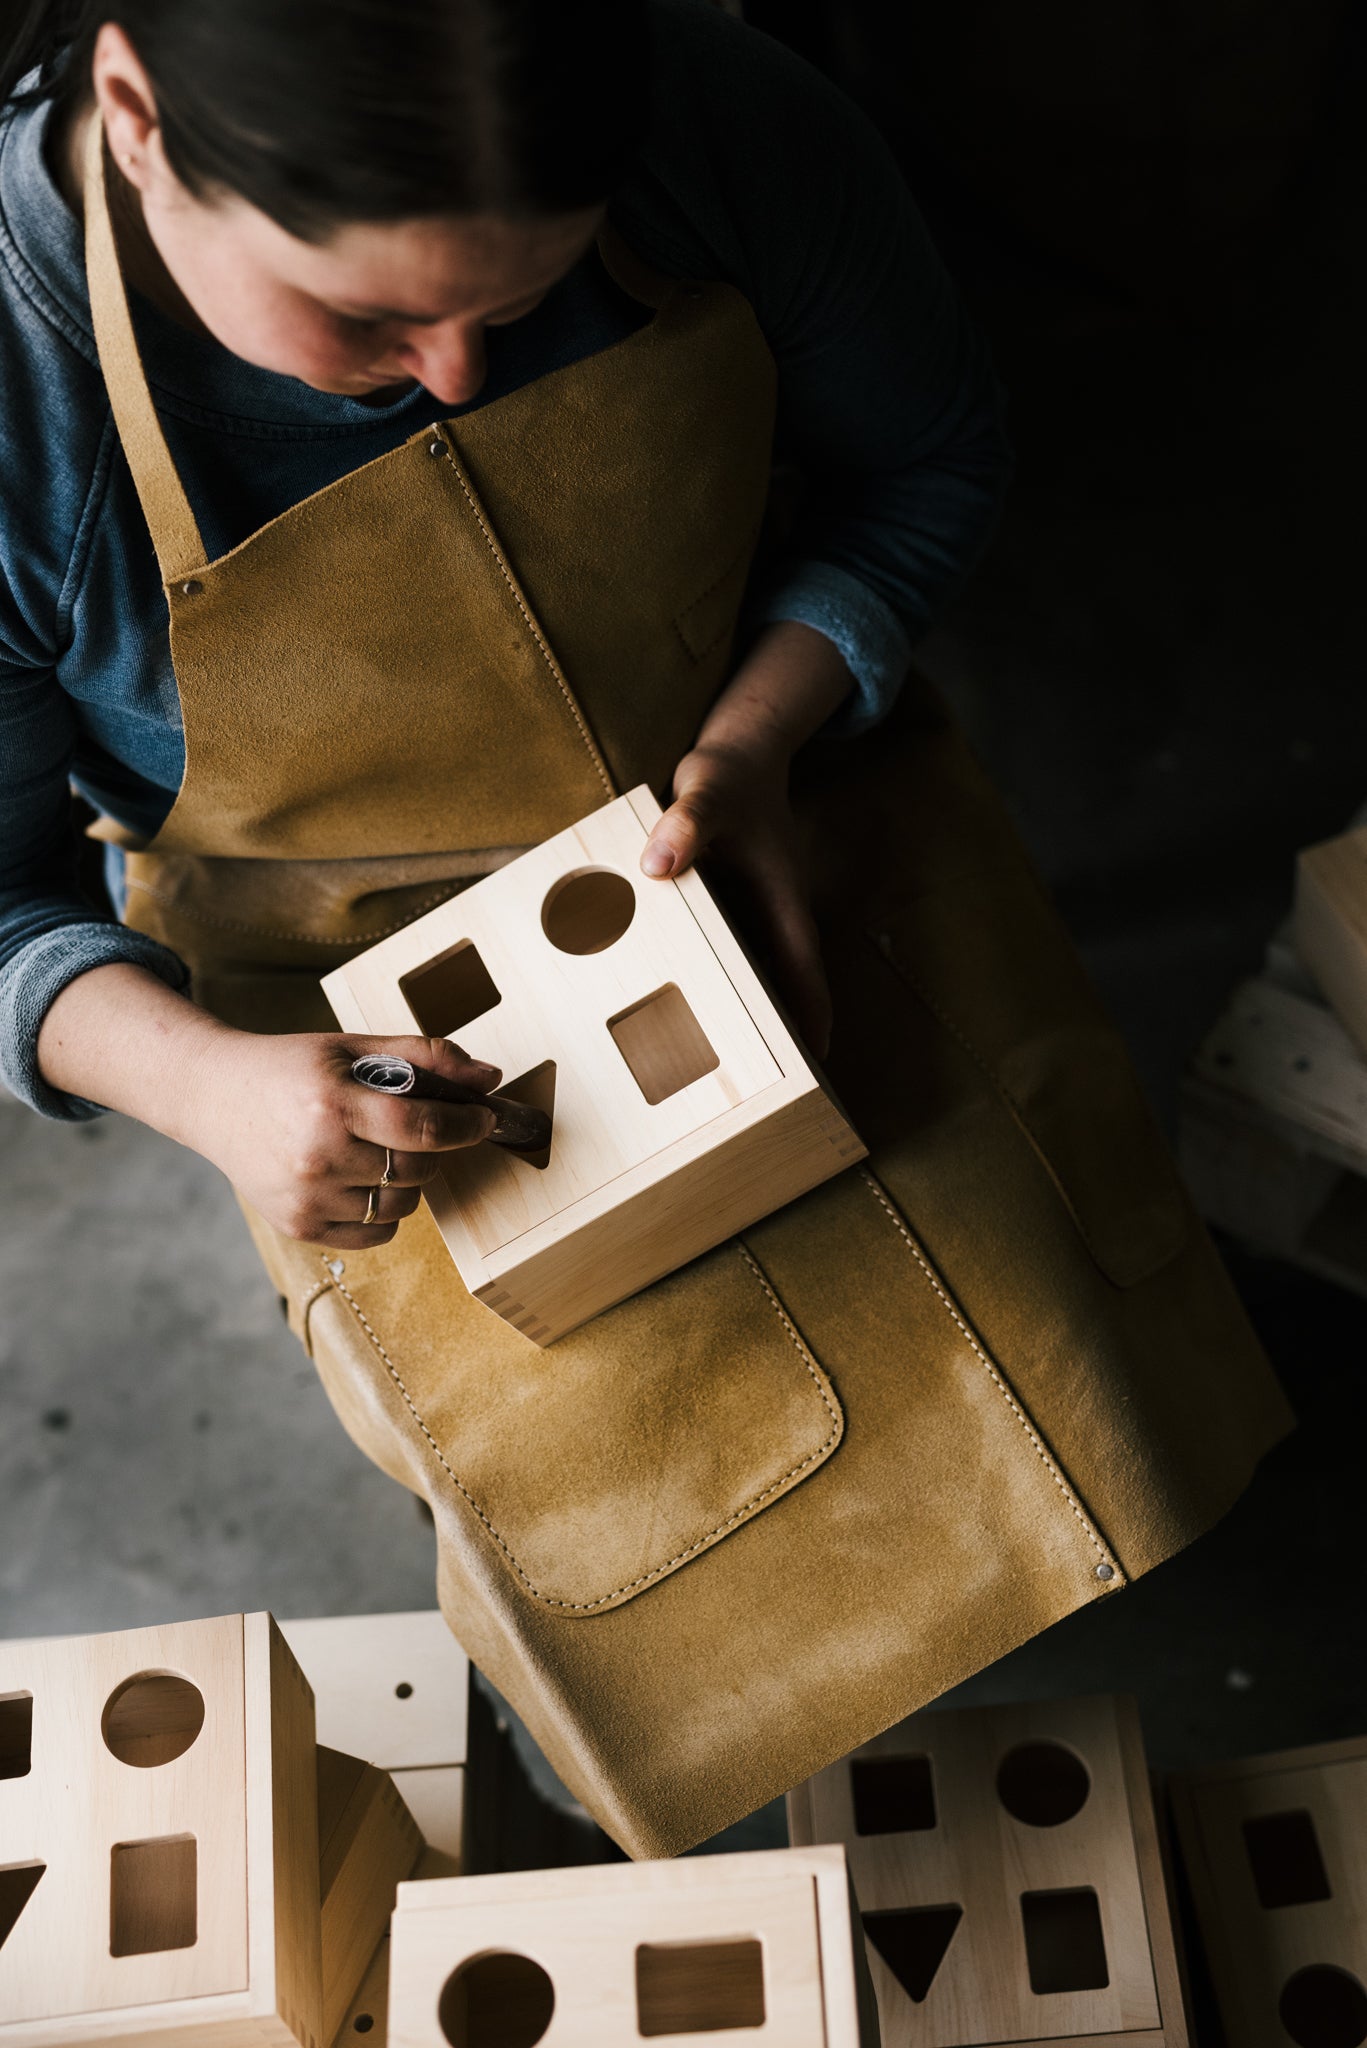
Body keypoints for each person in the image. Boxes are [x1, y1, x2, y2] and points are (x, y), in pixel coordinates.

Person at [0, 0, 1288, 1858]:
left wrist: (764, 741)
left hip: (770, 800)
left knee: (1045, 1341)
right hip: (357, 999)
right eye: (367, 319)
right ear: (134, 114)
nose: (451, 375)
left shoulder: (711, 117)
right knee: (629, 1543)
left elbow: (925, 463)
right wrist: (204, 1083)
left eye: (515, 307)